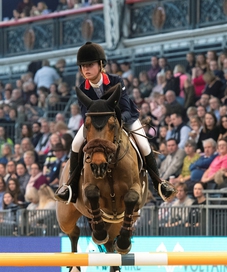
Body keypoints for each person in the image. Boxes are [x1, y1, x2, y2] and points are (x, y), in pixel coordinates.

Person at [55, 42, 176, 203]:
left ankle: (159, 184)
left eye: (90, 65)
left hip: (125, 119)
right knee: (76, 144)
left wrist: (116, 122)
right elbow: (86, 114)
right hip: (95, 125)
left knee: (144, 145)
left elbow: (125, 107)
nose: (86, 69)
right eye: (83, 66)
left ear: (101, 65)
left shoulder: (115, 80)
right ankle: (70, 187)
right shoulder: (82, 88)